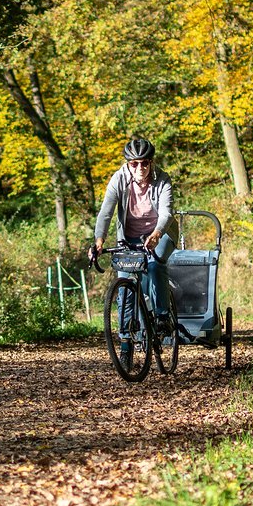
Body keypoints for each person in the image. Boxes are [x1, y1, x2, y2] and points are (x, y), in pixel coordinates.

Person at [90, 137, 178, 364]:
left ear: (152, 162)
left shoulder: (163, 180)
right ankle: (126, 342)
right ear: (128, 164)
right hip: (129, 237)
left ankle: (162, 316)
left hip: (162, 233)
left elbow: (167, 213)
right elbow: (106, 212)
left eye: (145, 163)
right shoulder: (118, 179)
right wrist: (99, 240)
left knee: (156, 263)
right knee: (125, 288)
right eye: (134, 164)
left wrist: (157, 234)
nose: (140, 168)